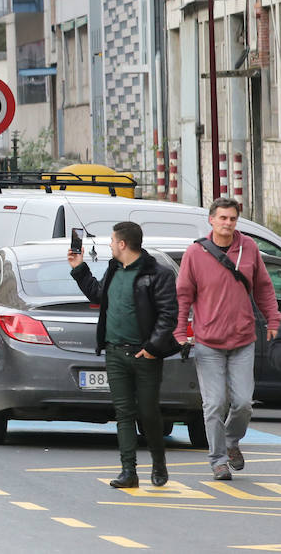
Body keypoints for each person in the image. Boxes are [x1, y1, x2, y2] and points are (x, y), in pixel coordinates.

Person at [174, 197, 280, 481]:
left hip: (243, 339)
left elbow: (264, 289)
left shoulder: (250, 248)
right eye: (222, 218)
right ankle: (218, 460)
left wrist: (273, 319)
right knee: (214, 403)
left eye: (232, 219)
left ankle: (231, 441)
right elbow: (184, 295)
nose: (227, 223)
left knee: (244, 403)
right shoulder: (195, 253)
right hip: (208, 340)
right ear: (211, 220)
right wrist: (180, 329)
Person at [70, 221, 181, 488]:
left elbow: (169, 315)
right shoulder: (114, 268)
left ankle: (158, 462)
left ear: (122, 244)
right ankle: (128, 471)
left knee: (148, 412)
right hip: (115, 352)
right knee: (123, 413)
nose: (109, 244)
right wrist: (79, 269)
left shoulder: (158, 274)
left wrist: (153, 348)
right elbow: (99, 295)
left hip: (145, 355)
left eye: (111, 240)